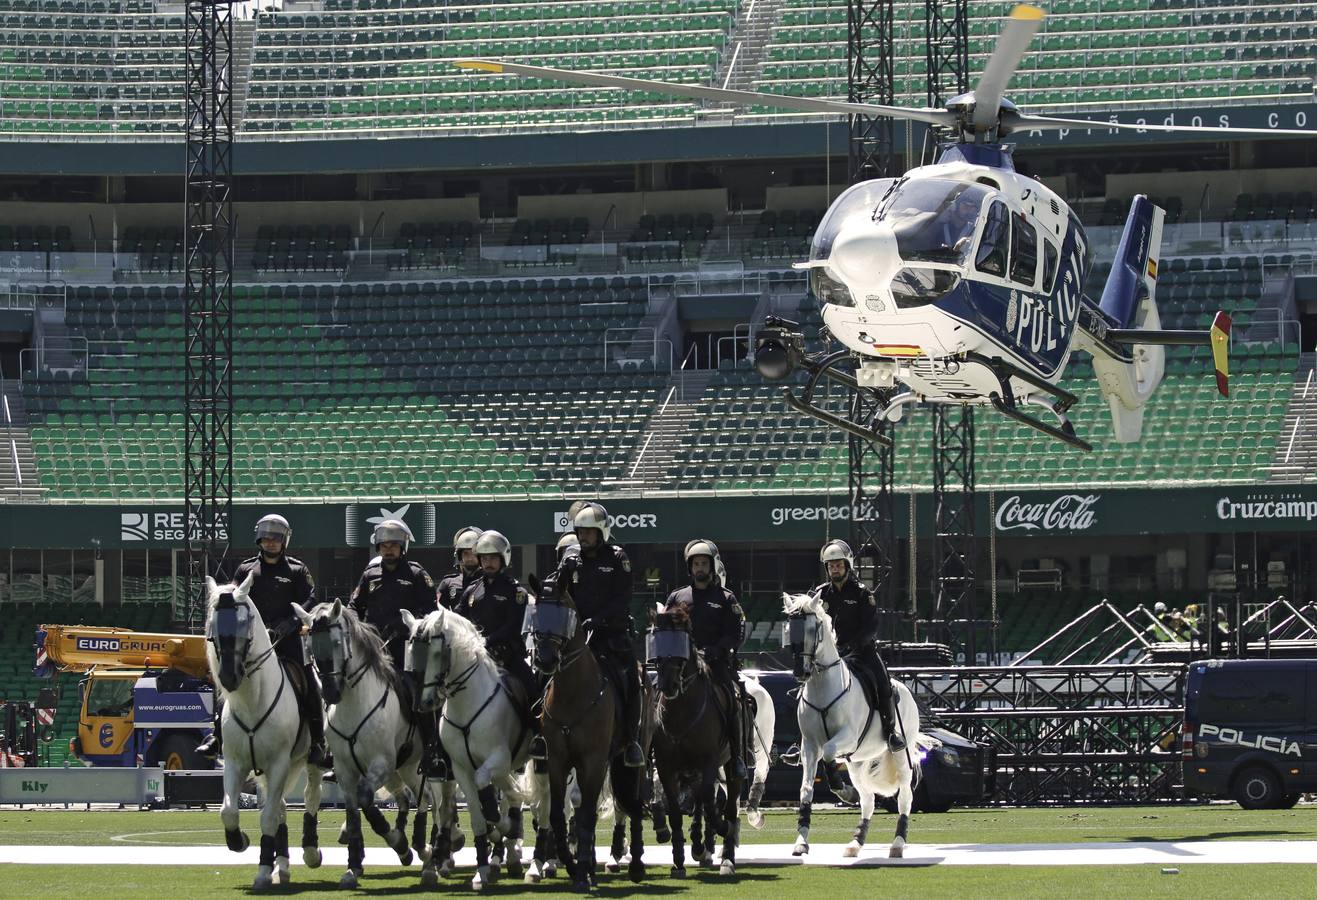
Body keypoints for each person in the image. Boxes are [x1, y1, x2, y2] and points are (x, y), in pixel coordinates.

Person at [197, 514, 331, 768]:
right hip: (252, 643)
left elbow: (311, 600)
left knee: (310, 682)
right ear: (259, 539)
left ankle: (317, 743)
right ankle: (216, 736)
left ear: (284, 541)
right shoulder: (246, 569)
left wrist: (292, 622)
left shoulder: (296, 569)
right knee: (229, 678)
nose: (271, 543)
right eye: (267, 538)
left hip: (288, 641)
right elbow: (233, 601)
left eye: (276, 538)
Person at [551, 501, 645, 767]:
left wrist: (598, 619)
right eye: (580, 531)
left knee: (631, 680)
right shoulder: (570, 558)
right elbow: (558, 589)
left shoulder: (617, 558)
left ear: (602, 533)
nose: (583, 537)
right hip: (574, 638)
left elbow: (622, 597)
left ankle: (632, 738)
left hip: (611, 636)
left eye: (589, 532)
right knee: (544, 672)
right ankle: (541, 734)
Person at [809, 539, 905, 753]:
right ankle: (805, 739)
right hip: (830, 656)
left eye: (838, 565)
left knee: (883, 684)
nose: (835, 569)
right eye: (831, 565)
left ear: (847, 566)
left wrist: (851, 646)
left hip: (862, 653)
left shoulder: (862, 593)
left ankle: (890, 732)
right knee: (807, 685)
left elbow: (871, 627)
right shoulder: (820, 594)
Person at [663, 539, 748, 780]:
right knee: (658, 699)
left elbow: (737, 633)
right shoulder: (677, 596)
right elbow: (666, 628)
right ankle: (654, 756)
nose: (699, 568)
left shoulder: (726, 597)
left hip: (715, 663)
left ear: (712, 567)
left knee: (735, 698)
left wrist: (717, 649)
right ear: (690, 568)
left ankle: (738, 755)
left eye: (704, 563)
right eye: (696, 564)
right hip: (682, 664)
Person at [454, 530, 538, 741]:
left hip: (507, 657)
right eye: (484, 558)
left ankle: (538, 737)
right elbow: (459, 620)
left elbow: (513, 625)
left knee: (533, 689)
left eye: (493, 558)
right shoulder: (471, 590)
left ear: (503, 560)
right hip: (473, 658)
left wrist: (487, 641)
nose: (488, 562)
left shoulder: (515, 591)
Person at [437, 525, 483, 610]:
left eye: (473, 553)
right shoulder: (448, 583)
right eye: (466, 553)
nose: (470, 558)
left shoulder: (488, 583)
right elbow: (437, 611)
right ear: (459, 555)